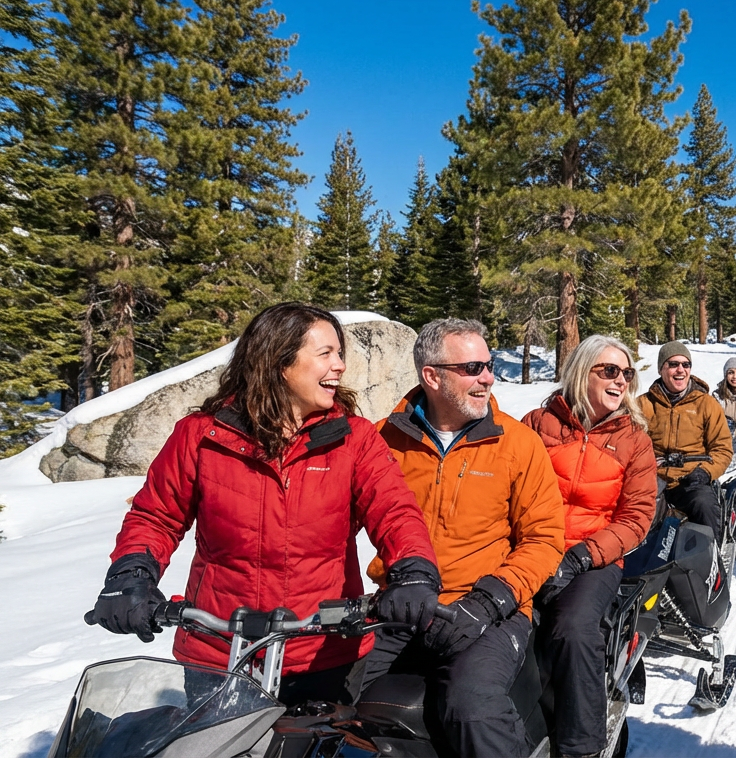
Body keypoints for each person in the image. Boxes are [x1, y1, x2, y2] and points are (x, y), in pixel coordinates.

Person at [91, 302, 440, 706]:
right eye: (325, 353)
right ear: (278, 361)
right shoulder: (201, 437)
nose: (340, 365)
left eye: (339, 353)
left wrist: (413, 571)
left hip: (321, 648)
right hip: (218, 648)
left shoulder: (354, 439)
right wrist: (130, 576)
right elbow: (156, 517)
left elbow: (395, 512)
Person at [362, 318, 564, 757]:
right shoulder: (383, 439)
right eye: (473, 367)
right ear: (432, 376)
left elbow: (545, 538)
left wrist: (491, 599)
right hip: (402, 603)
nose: (488, 377)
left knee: (471, 707)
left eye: (488, 365)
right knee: (328, 697)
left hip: (489, 609)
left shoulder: (518, 443)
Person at [522, 335, 656, 758]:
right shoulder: (536, 423)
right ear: (583, 371)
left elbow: (636, 518)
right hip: (530, 548)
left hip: (593, 557)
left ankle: (581, 747)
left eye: (627, 373)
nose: (621, 381)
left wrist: (583, 555)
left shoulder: (634, 439)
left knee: (574, 629)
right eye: (610, 370)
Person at [639, 341, 734, 540]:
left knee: (704, 505)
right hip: (653, 478)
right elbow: (628, 444)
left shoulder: (706, 404)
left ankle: (712, 560)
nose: (680, 370)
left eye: (686, 364)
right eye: (673, 364)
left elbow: (722, 449)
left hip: (691, 479)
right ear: (660, 368)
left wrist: (705, 472)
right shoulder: (643, 404)